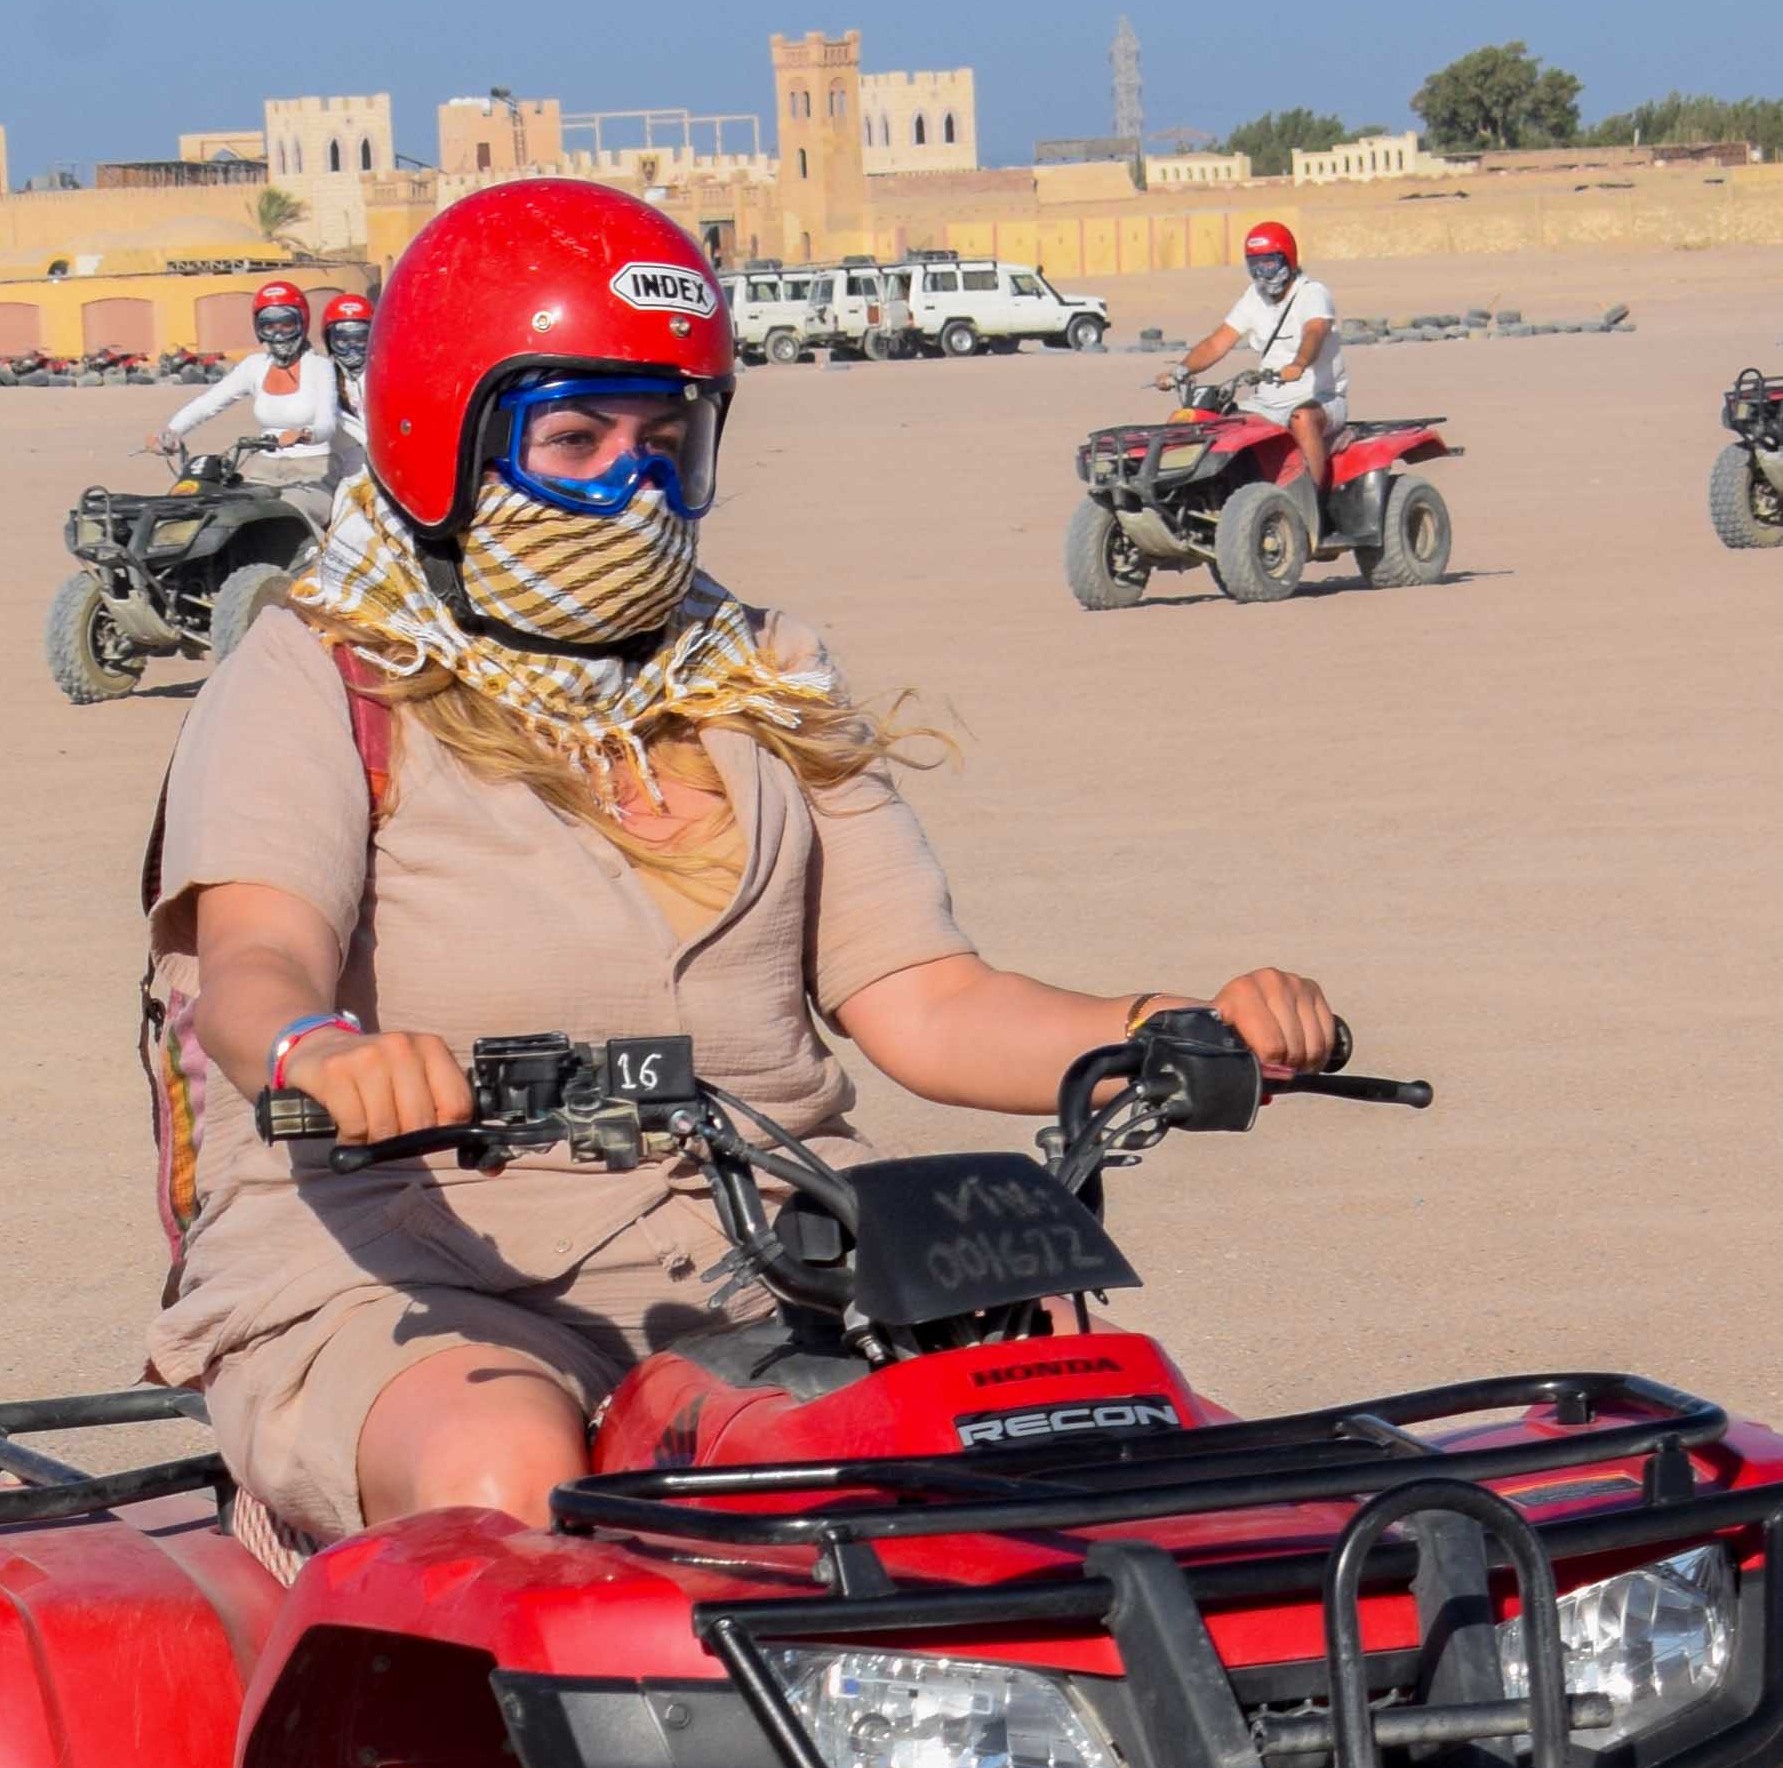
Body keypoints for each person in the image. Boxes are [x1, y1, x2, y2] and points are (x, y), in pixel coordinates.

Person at [139, 177, 1342, 1557]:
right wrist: (319, 1054)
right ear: (439, 438)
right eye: (575, 438)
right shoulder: (325, 669)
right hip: (411, 1260)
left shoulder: (764, 675)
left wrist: (1167, 1026)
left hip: (766, 1242)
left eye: (668, 439)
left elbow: (926, 1000)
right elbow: (248, 959)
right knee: (509, 1475)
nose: (632, 487)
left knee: (1078, 1436)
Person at [1170, 219, 1348, 518]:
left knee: (1301, 419)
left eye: (1269, 263)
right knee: (1225, 425)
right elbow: (1217, 342)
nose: (1262, 273)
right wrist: (1181, 370)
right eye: (1256, 265)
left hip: (1322, 398)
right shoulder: (1254, 298)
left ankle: (1314, 507)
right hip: (1268, 403)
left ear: (1287, 259)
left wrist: (1299, 364)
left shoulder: (1311, 293)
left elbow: (1315, 332)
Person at [156, 282, 353, 471]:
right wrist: (172, 431)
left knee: (291, 506)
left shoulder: (319, 367)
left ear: (302, 322)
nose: (278, 334)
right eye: (269, 326)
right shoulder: (254, 366)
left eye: (286, 324)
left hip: (314, 465)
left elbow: (327, 423)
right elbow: (207, 404)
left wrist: (306, 435)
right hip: (267, 467)